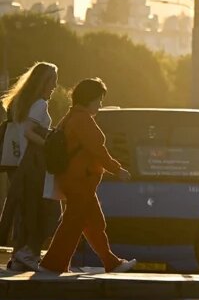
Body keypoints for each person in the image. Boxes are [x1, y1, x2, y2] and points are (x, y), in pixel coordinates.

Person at [38, 78, 136, 274]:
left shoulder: (70, 116)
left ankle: (111, 262)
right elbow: (98, 150)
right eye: (98, 99)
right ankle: (52, 265)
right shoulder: (83, 120)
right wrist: (118, 170)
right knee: (74, 222)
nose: (100, 104)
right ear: (90, 98)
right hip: (79, 180)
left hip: (74, 179)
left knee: (93, 222)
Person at [1, 62, 60, 271]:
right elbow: (29, 131)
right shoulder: (40, 104)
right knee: (47, 210)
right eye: (52, 81)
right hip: (33, 162)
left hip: (16, 162)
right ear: (43, 82)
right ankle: (29, 253)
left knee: (23, 211)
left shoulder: (20, 102)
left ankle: (20, 255)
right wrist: (49, 146)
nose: (55, 85)